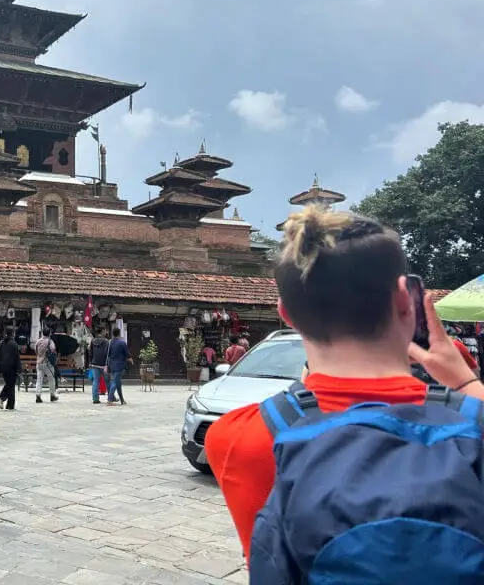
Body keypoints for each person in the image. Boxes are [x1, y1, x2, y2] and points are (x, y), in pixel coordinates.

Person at [205, 205, 484, 575]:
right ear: (407, 301)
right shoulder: (473, 421)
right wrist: (467, 384)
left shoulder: (237, 437)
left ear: (286, 314)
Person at [0, 329, 21, 410]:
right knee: (10, 385)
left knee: (10, 385)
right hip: (12, 368)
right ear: (12, 334)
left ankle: (10, 405)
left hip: (3, 367)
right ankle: (1, 398)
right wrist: (19, 369)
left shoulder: (1, 343)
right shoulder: (14, 344)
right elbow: (17, 358)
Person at [105, 326, 130, 406]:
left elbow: (107, 354)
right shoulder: (122, 343)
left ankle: (122, 400)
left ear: (112, 334)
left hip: (112, 365)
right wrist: (130, 359)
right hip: (120, 365)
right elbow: (127, 353)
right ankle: (109, 400)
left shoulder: (109, 343)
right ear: (119, 334)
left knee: (117, 382)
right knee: (116, 382)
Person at [34, 326, 58, 403]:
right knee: (51, 379)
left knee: (39, 380)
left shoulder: (38, 341)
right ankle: (52, 395)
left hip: (39, 363)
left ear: (42, 333)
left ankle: (38, 395)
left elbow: (36, 351)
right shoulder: (50, 341)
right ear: (49, 333)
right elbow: (53, 349)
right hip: (47, 363)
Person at [89, 329, 110, 404]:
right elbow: (107, 353)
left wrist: (90, 362)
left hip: (95, 364)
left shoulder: (92, 341)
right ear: (102, 332)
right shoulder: (106, 341)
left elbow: (91, 353)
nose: (105, 332)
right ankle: (110, 397)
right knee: (107, 381)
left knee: (95, 381)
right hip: (104, 365)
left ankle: (95, 399)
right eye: (104, 331)